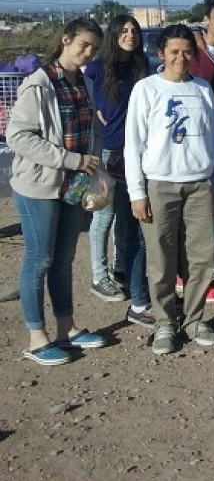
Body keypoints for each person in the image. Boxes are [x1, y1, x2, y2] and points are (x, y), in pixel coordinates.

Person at [8, 18, 108, 366]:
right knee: (40, 259)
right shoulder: (38, 85)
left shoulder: (83, 82)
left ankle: (67, 327)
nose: (88, 53)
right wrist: (69, 159)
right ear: (65, 40)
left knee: (64, 259)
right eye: (83, 45)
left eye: (94, 48)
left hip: (73, 186)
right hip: (39, 185)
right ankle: (37, 337)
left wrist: (96, 167)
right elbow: (17, 136)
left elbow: (91, 128)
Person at [125, 24, 214, 356]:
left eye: (186, 52)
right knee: (161, 259)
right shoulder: (146, 89)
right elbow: (133, 145)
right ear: (161, 54)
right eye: (173, 52)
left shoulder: (202, 90)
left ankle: (195, 318)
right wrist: (136, 192)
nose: (180, 58)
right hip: (160, 185)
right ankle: (165, 323)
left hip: (200, 184)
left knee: (201, 257)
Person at [83, 15, 150, 316]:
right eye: (123, 30)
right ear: (113, 35)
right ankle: (99, 275)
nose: (130, 35)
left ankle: (122, 268)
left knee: (127, 214)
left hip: (137, 151)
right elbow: (90, 105)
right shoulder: (98, 69)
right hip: (108, 150)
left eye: (134, 30)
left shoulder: (141, 66)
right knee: (104, 213)